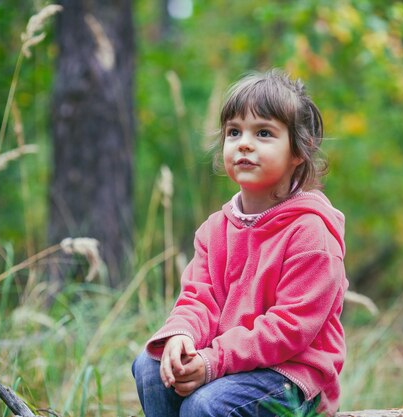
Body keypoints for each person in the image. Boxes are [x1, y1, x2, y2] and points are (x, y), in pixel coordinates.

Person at [132, 69, 348, 417]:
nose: (244, 143)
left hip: (294, 379)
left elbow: (290, 329)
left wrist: (213, 360)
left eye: (264, 132)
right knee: (151, 366)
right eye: (234, 132)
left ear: (299, 150)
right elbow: (198, 298)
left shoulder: (311, 233)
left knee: (206, 405)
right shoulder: (216, 229)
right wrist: (182, 337)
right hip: (229, 363)